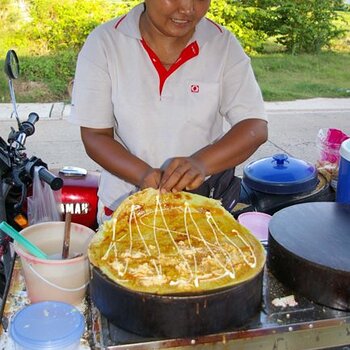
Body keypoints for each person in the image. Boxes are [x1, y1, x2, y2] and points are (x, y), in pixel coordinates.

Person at [68, 0, 268, 224]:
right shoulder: (105, 43)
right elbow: (95, 135)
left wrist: (201, 164)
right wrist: (143, 175)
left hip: (201, 204)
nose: (188, 8)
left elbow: (254, 126)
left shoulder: (222, 44)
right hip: (125, 205)